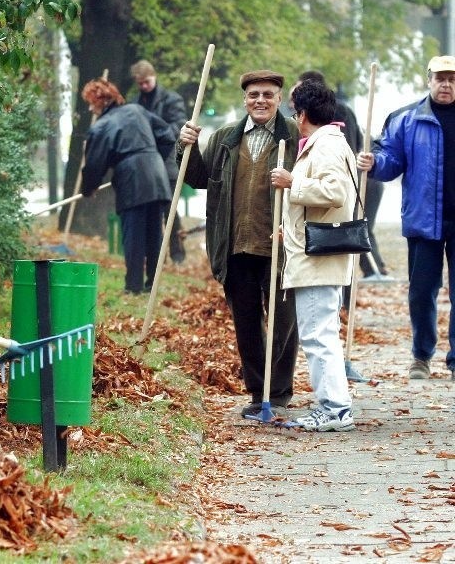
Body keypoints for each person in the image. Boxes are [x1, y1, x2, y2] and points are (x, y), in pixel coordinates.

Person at [178, 70, 300, 419]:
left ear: (279, 100)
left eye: (268, 95)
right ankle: (256, 390)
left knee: (282, 321)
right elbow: (199, 178)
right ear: (245, 99)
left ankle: (277, 393)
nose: (260, 101)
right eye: (253, 95)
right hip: (235, 246)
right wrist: (185, 147)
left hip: (281, 245)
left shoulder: (294, 136)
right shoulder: (224, 138)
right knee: (246, 322)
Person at [357, 55, 455, 382]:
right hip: (424, 219)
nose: (446, 84)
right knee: (421, 291)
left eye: (452, 79)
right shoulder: (406, 119)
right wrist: (375, 162)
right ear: (429, 80)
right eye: (441, 78)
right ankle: (421, 355)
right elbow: (391, 160)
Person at [271, 79, 356, 431]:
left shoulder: (326, 146)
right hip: (315, 256)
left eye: (293, 109)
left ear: (302, 113)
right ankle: (334, 406)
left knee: (319, 336)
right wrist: (288, 231)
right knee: (321, 333)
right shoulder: (326, 142)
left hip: (318, 260)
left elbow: (334, 193)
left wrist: (293, 183)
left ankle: (334, 408)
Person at [290, 71, 391, 282]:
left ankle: (374, 270)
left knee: (353, 226)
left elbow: (346, 150)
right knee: (349, 225)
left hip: (361, 179)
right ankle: (372, 270)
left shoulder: (337, 119)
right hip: (346, 178)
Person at [80, 77, 175, 294]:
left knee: (133, 234)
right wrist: (152, 158)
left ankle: (133, 287)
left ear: (99, 101)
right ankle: (153, 284)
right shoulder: (137, 110)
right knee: (154, 233)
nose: (89, 107)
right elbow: (168, 136)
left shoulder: (101, 127)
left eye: (90, 102)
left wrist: (89, 189)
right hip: (156, 174)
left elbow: (94, 164)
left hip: (132, 179)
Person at [130, 59, 188, 263]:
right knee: (149, 211)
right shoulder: (136, 103)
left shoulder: (171, 99)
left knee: (169, 210)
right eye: (140, 84)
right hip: (144, 164)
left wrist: (156, 138)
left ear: (153, 76)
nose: (144, 86)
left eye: (147, 81)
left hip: (166, 160)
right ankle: (156, 256)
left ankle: (178, 254)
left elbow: (178, 126)